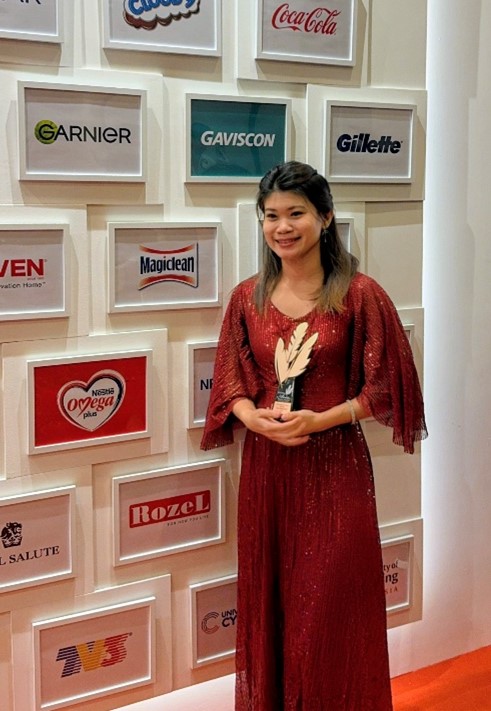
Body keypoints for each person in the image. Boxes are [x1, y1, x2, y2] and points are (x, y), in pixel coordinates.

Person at [200, 161, 427, 710]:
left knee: (330, 609)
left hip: (336, 469)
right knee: (275, 604)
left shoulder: (360, 294)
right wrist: (250, 416)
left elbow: (387, 388)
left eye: (296, 213)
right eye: (271, 215)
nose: (282, 227)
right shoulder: (246, 298)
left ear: (325, 217)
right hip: (269, 473)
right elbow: (230, 381)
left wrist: (320, 420)